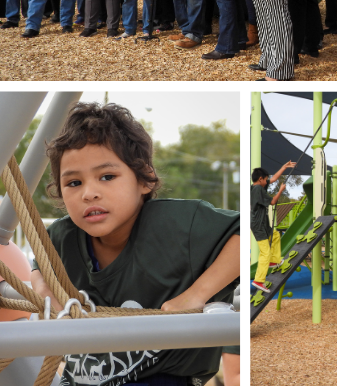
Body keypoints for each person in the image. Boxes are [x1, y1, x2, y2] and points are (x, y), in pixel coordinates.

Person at [27, 102, 240, 386]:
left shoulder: (176, 224)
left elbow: (242, 233)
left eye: (107, 177)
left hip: (163, 378)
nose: (89, 193)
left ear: (144, 180)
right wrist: (47, 296)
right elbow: (38, 264)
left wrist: (197, 294)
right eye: (74, 183)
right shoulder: (62, 236)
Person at [250, 161, 296, 291]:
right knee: (265, 252)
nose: (267, 181)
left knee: (275, 234)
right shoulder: (258, 189)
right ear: (260, 179)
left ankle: (273, 261)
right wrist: (281, 190)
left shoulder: (255, 187)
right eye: (265, 179)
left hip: (262, 224)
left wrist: (284, 167)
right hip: (258, 225)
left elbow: (274, 179)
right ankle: (259, 281)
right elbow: (273, 202)